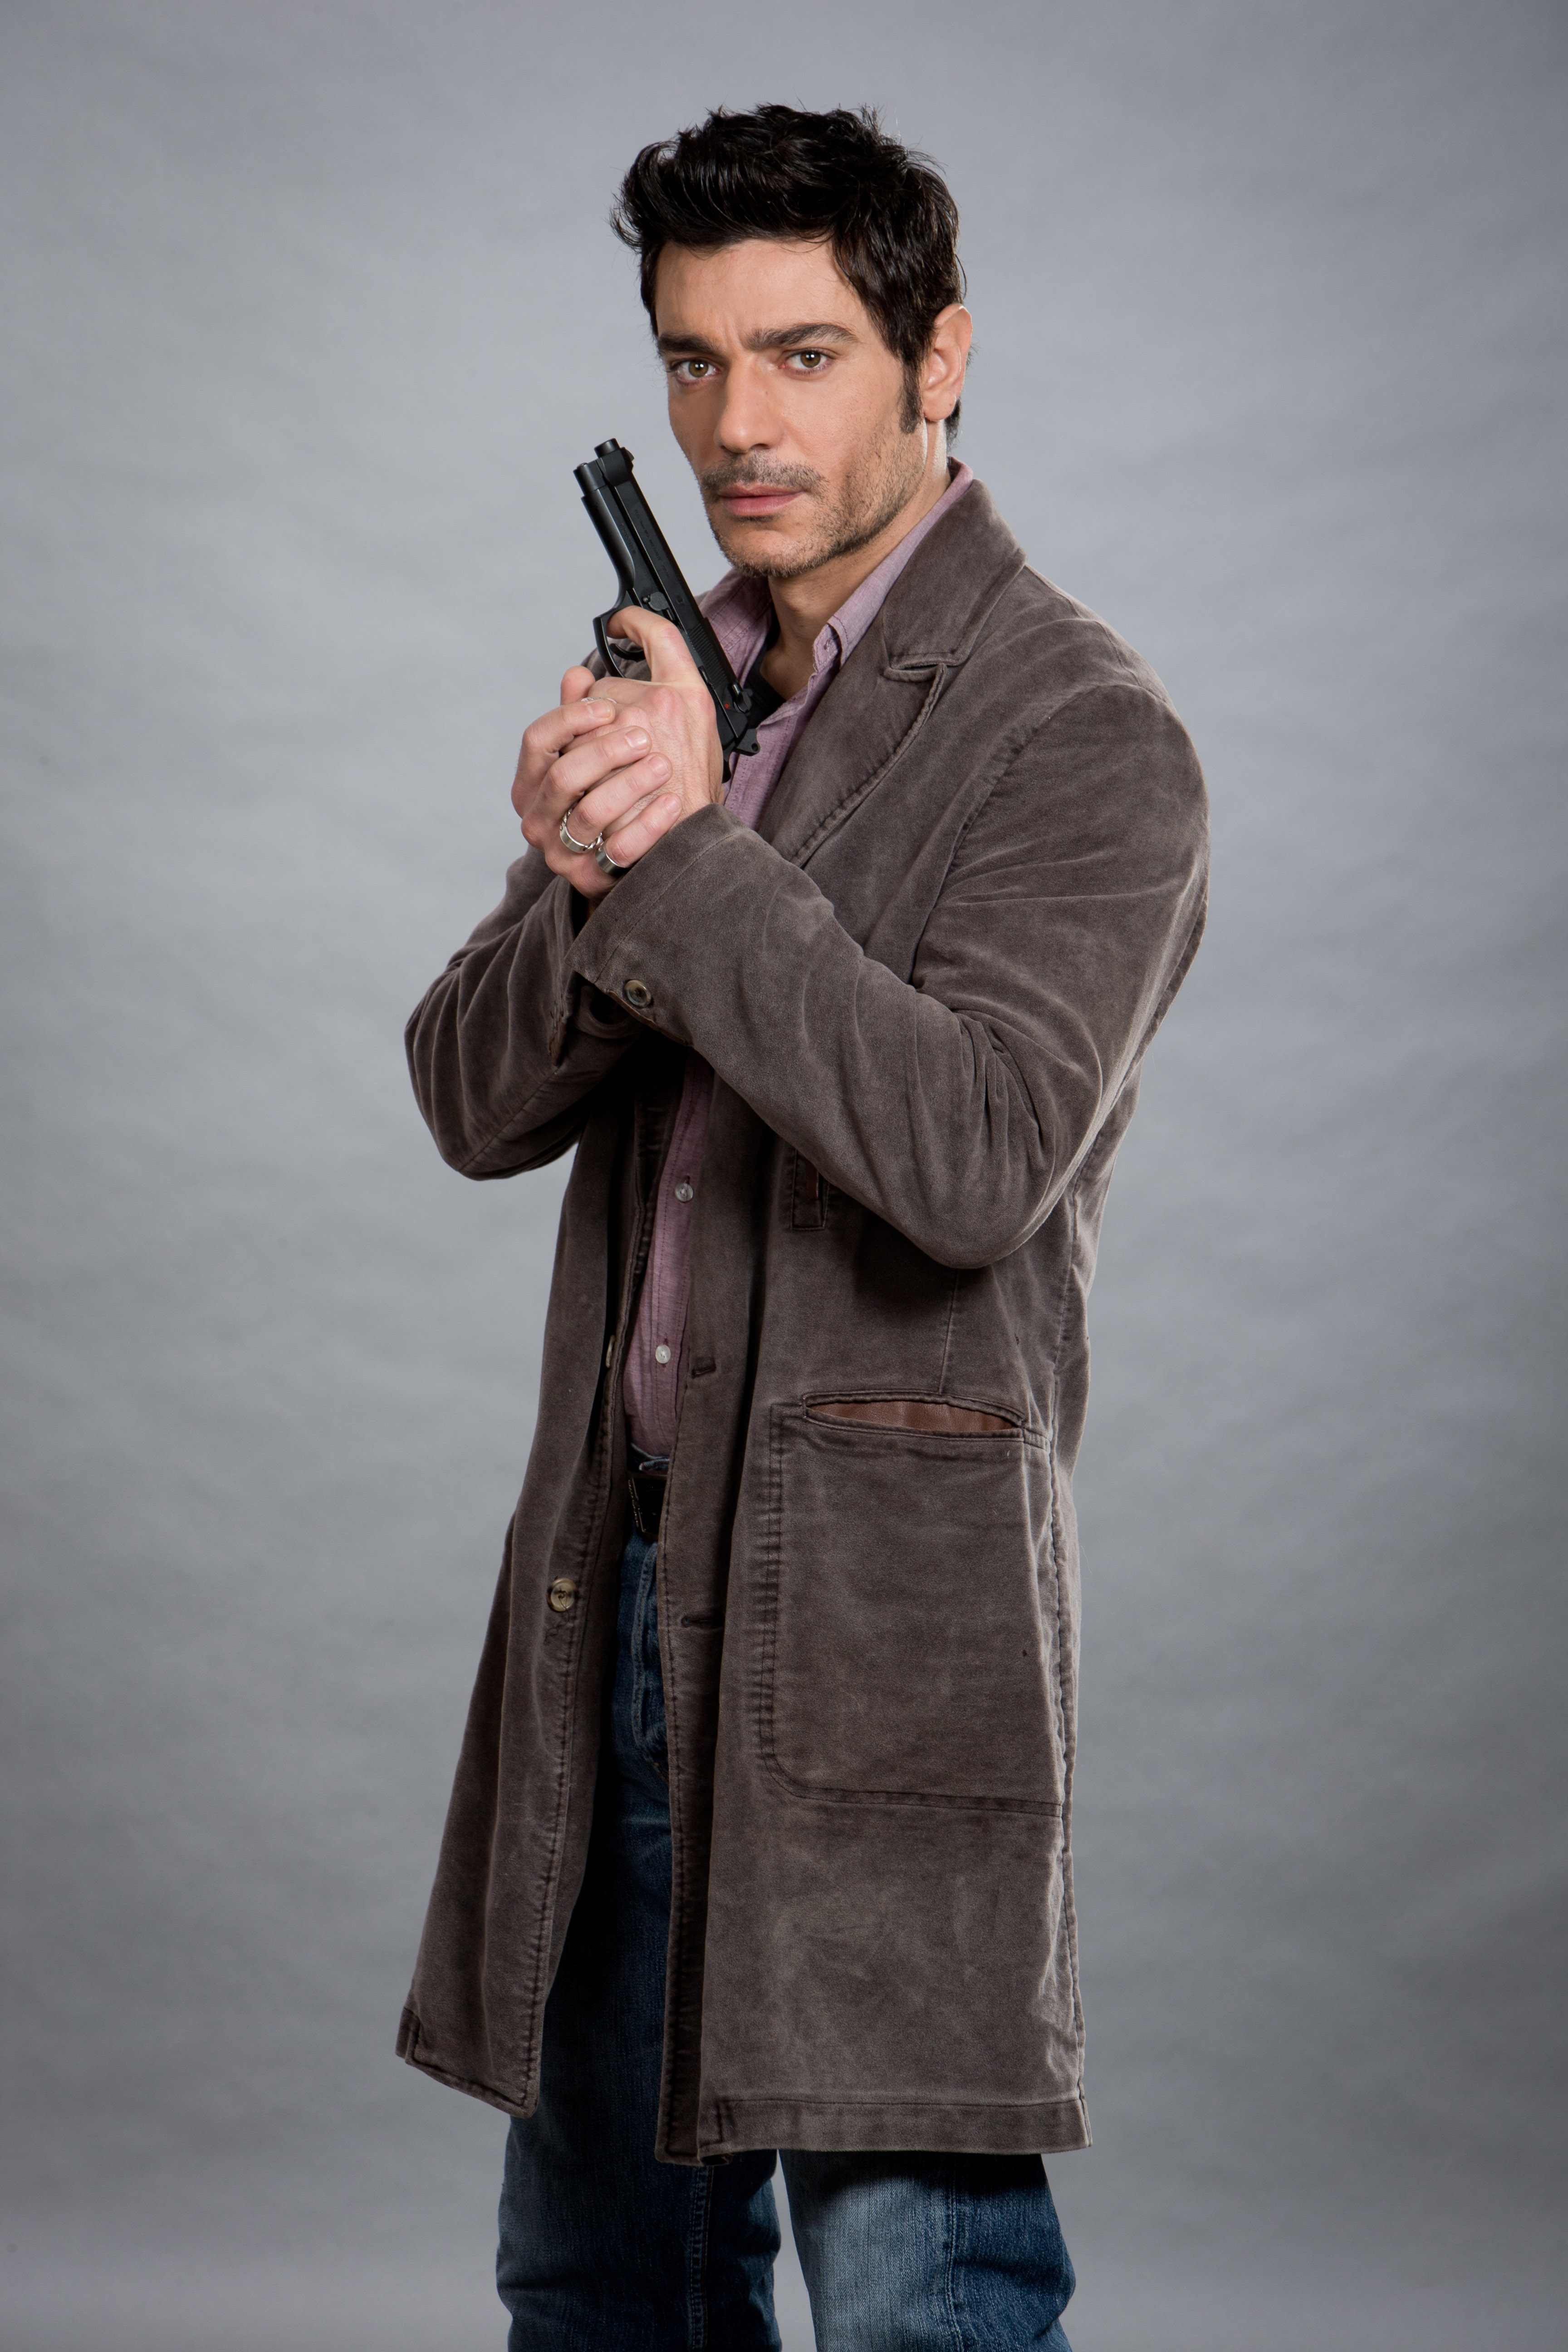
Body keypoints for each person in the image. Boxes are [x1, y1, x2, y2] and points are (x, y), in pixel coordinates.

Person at [398, 103, 1208, 2352]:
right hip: (615, 1591)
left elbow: (970, 1154)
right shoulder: (693, 686)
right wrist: (593, 878)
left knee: (918, 2286)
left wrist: (685, 854)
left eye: (803, 353)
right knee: (597, 2288)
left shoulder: (1085, 731)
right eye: (692, 359)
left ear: (939, 358)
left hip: (872, 1621)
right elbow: (468, 1099)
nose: (737, 425)